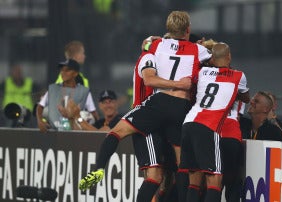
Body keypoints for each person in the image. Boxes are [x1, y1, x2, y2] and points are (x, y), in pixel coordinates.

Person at [78, 11, 212, 202]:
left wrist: (150, 41)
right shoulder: (198, 51)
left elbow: (148, 66)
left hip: (156, 106)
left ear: (167, 30)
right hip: (181, 108)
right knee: (179, 166)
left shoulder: (155, 47)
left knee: (116, 134)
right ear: (188, 29)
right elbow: (216, 54)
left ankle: (98, 169)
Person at [179, 42, 245, 202]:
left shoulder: (202, 73)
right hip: (220, 131)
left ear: (212, 59)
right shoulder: (238, 77)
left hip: (189, 123)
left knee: (194, 181)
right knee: (219, 181)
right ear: (229, 57)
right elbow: (245, 99)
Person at [36, 59, 97, 133]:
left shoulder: (84, 91)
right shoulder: (53, 89)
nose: (63, 73)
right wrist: (40, 121)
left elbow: (94, 115)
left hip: (75, 134)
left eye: (67, 70)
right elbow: (40, 106)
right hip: (54, 134)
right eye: (62, 70)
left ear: (75, 73)